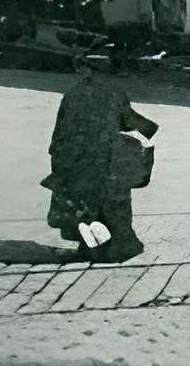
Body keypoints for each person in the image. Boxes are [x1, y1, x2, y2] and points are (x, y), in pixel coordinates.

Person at [45, 57, 158, 264]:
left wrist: (59, 160)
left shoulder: (71, 95)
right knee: (114, 205)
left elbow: (58, 134)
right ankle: (118, 247)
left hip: (73, 163)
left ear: (86, 72)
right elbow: (136, 123)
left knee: (82, 208)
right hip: (106, 162)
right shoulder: (115, 94)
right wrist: (145, 131)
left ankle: (88, 247)